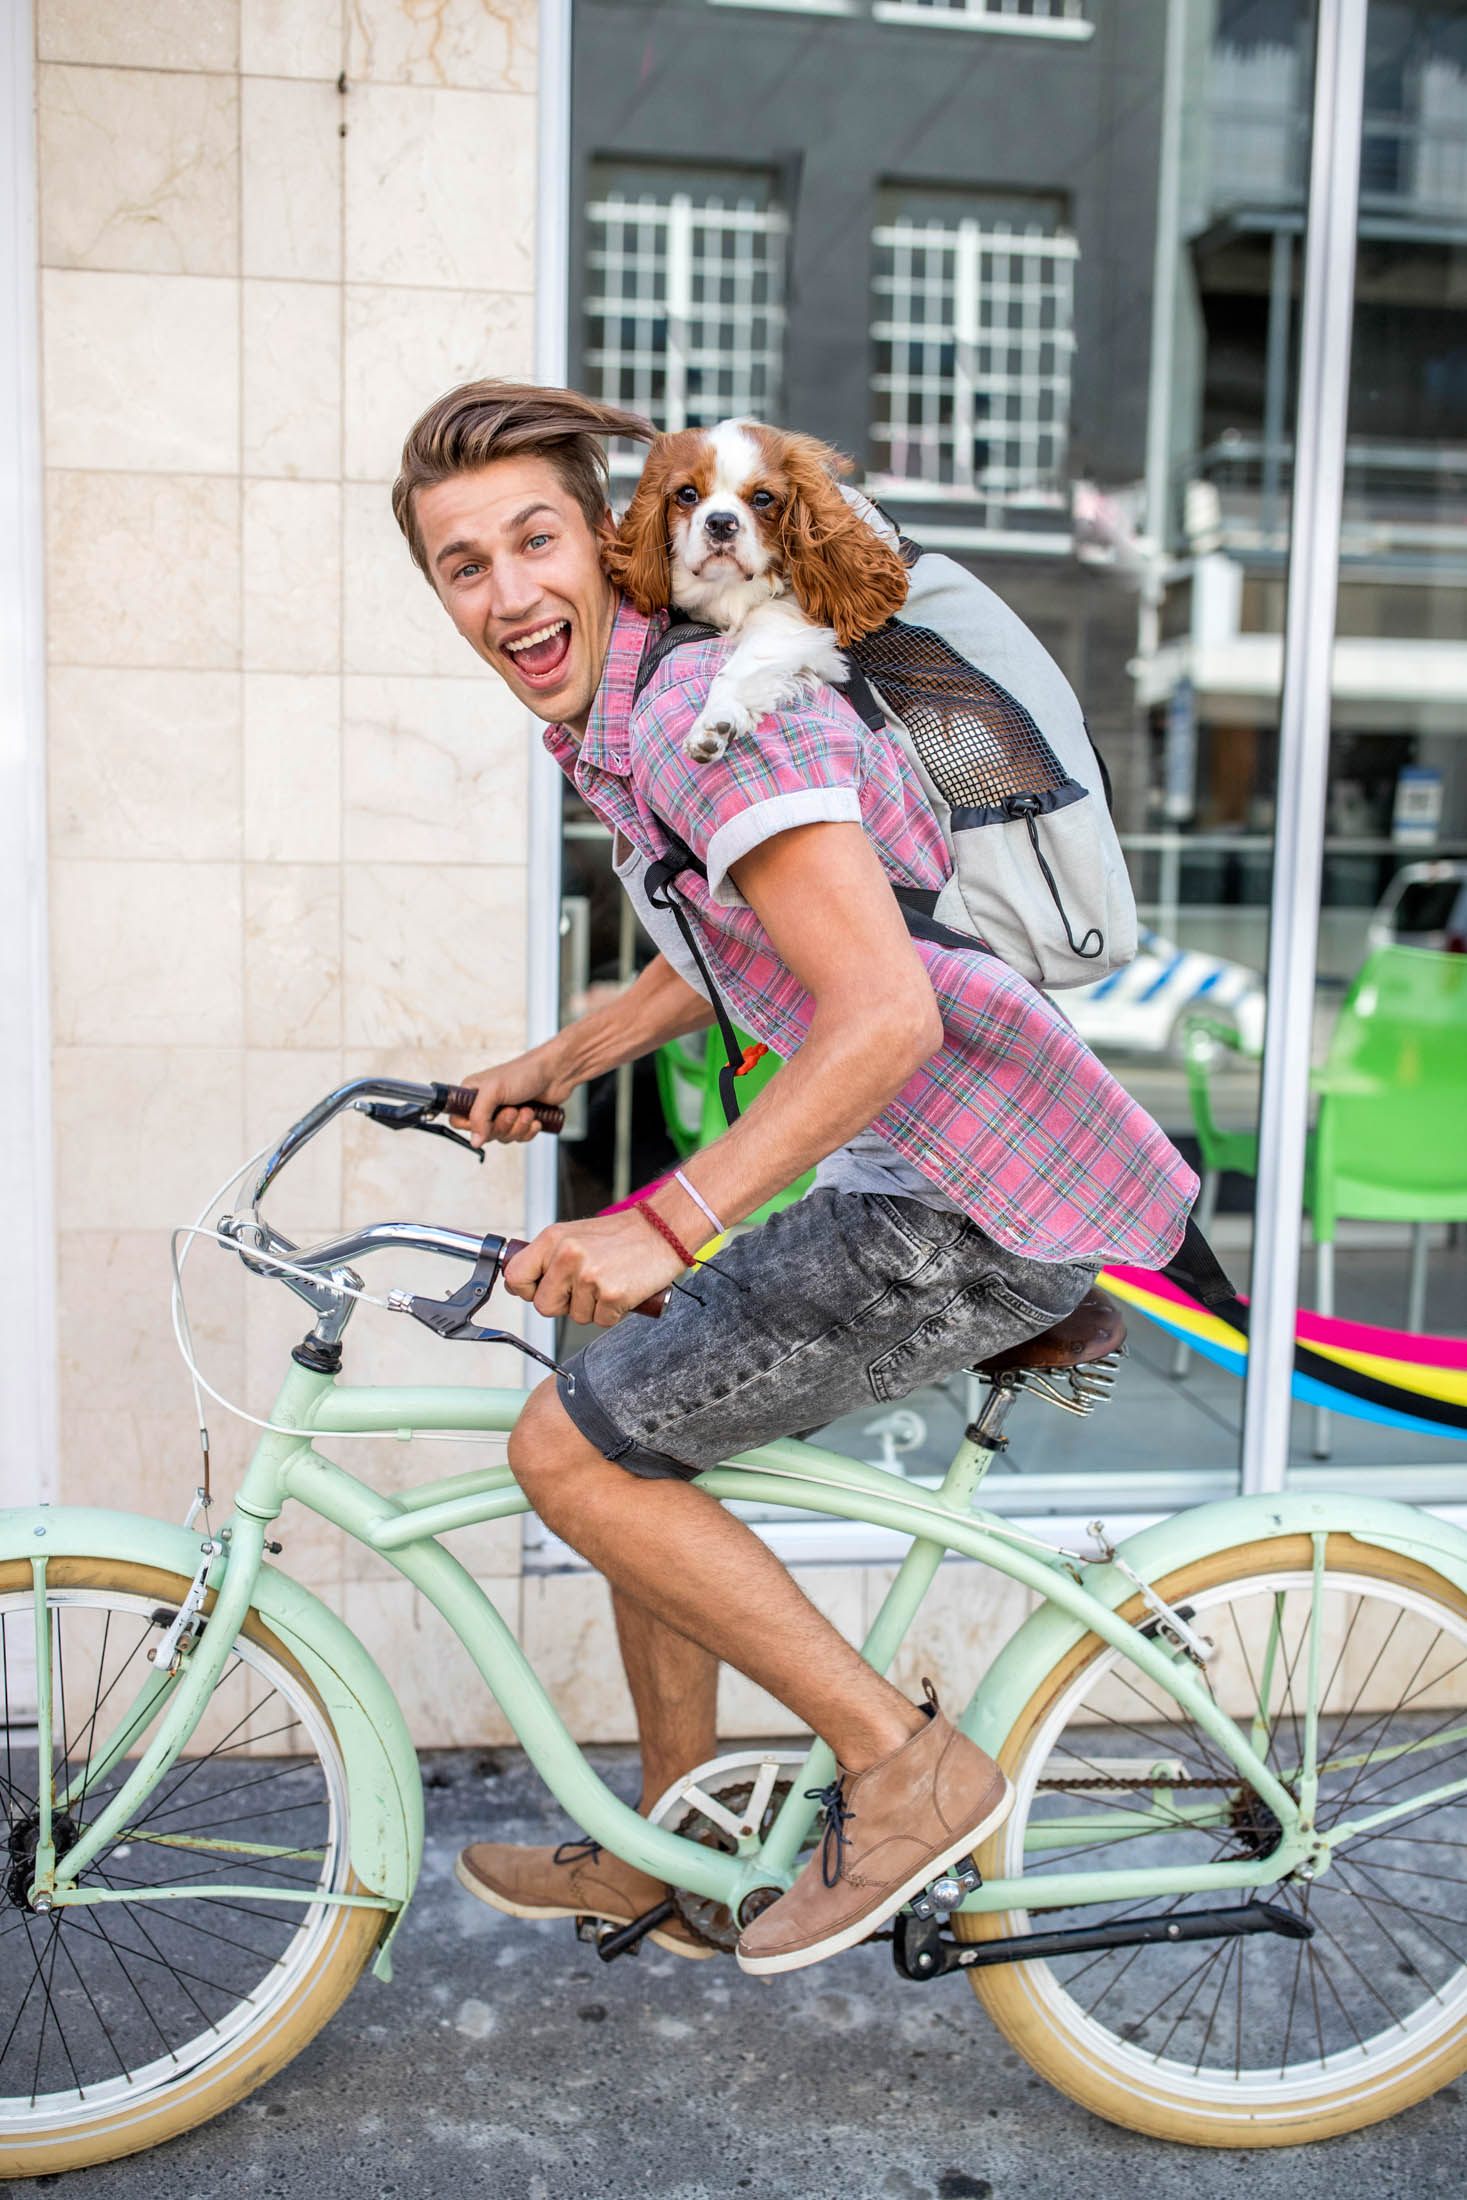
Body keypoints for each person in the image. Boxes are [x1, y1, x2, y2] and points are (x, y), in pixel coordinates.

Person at [390, 381, 1198, 1976]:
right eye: (462, 565)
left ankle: (911, 1769)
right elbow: (762, 930)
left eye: (536, 540)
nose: (507, 594)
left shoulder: (727, 718)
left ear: (611, 548)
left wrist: (663, 1217)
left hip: (969, 1202)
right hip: (944, 1173)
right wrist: (558, 1065)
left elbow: (884, 1012)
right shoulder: (644, 727)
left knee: (572, 1449)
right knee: (632, 1421)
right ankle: (687, 1845)